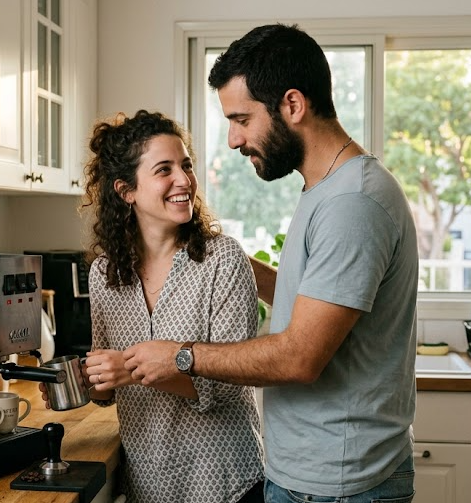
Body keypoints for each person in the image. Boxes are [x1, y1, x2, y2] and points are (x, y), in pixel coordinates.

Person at [116, 24, 421, 503]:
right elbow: (317, 303)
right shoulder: (325, 189)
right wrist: (233, 262)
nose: (234, 140)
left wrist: (180, 355)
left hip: (338, 485)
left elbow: (300, 357)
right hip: (308, 476)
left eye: (241, 119)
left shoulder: (353, 203)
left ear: (292, 105)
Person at [72, 110, 265, 503]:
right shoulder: (105, 274)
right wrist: (87, 381)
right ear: (127, 191)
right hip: (149, 484)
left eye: (186, 165)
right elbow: (108, 391)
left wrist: (129, 371)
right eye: (164, 169)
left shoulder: (223, 260)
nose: (184, 180)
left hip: (226, 485)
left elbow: (231, 385)